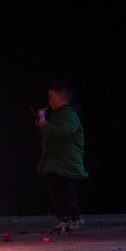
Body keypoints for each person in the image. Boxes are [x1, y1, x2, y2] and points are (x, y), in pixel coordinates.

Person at [35, 80, 89, 234]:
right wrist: (42, 123)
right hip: (56, 162)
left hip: (66, 163)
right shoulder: (58, 115)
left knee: (66, 192)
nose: (49, 102)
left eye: (52, 98)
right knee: (57, 192)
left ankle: (73, 219)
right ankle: (64, 220)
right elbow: (51, 133)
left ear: (63, 97)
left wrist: (45, 125)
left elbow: (64, 132)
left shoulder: (69, 115)